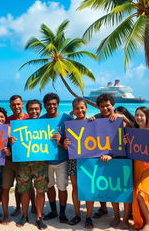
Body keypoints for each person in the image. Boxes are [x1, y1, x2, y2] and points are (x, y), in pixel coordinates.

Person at [92, 93, 133, 228]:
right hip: (105, 160)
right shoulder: (97, 118)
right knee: (112, 190)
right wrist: (89, 121)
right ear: (98, 107)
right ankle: (116, 216)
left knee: (125, 190)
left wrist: (124, 117)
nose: (105, 108)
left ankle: (125, 219)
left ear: (113, 105)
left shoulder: (120, 118)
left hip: (122, 159)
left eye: (107, 105)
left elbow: (135, 130)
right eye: (102, 106)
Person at [15, 99, 48, 230]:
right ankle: (24, 215)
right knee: (23, 190)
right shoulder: (20, 125)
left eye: (36, 109)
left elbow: (51, 142)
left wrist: (56, 137)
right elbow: (15, 143)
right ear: (27, 110)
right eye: (31, 109)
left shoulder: (46, 125)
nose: (34, 111)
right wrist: (13, 140)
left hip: (40, 164)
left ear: (40, 110)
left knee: (41, 191)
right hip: (24, 163)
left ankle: (39, 217)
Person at [40, 93, 73, 223]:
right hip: (46, 160)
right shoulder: (40, 120)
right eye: (49, 104)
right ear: (45, 106)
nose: (51, 106)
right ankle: (53, 211)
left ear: (58, 105)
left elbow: (76, 137)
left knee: (62, 187)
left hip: (62, 159)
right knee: (49, 186)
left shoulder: (67, 118)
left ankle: (63, 213)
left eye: (54, 104)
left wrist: (60, 141)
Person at [63, 98, 94, 229]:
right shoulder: (69, 125)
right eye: (77, 108)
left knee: (88, 187)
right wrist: (65, 144)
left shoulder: (93, 122)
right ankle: (77, 215)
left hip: (89, 160)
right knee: (75, 187)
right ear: (73, 110)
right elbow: (65, 145)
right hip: (74, 160)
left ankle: (88, 217)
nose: (80, 110)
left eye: (82, 107)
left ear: (86, 108)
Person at [1, 95, 33, 224]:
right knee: (6, 187)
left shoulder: (30, 119)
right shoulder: (6, 121)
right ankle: (8, 214)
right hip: (9, 160)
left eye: (18, 104)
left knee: (27, 187)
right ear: (10, 106)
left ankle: (34, 207)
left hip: (25, 161)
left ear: (23, 104)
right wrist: (8, 142)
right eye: (13, 105)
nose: (16, 106)